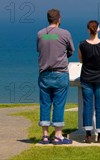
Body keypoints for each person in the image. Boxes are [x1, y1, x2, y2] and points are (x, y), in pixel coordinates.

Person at [36, 9, 74, 145]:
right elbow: (71, 50)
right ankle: (58, 135)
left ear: (47, 19)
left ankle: (45, 136)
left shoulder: (40, 34)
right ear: (59, 19)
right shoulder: (65, 33)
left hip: (44, 73)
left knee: (45, 104)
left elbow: (39, 49)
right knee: (59, 104)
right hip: (60, 73)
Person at [78, 20, 100, 143]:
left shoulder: (82, 45)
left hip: (86, 78)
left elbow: (81, 60)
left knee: (87, 106)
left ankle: (88, 135)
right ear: (98, 29)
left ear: (88, 30)